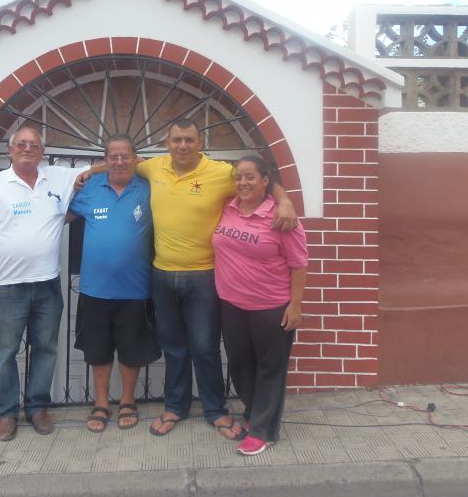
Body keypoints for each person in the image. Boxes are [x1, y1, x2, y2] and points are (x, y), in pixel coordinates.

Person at [135, 119, 298, 439]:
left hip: (204, 277)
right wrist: (92, 171)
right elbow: (124, 161)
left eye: (189, 139)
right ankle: (175, 406)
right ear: (167, 143)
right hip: (163, 274)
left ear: (201, 143)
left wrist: (286, 200)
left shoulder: (221, 173)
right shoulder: (154, 167)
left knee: (205, 347)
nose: (183, 145)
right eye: (177, 140)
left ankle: (215, 410)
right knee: (174, 347)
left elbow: (264, 180)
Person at [0, 125, 91, 441]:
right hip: (8, 287)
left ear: (42, 152)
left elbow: (99, 168)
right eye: (21, 144)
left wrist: (134, 161)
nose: (27, 148)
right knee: (5, 352)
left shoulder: (57, 178)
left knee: (46, 349)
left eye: (34, 145)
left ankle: (37, 407)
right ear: (10, 150)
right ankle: (6, 413)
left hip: (48, 285)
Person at [212, 156, 308, 456]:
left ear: (265, 180)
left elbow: (299, 263)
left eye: (250, 177)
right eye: (239, 177)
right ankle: (255, 411)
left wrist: (295, 306)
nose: (243, 182)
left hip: (271, 307)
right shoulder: (228, 208)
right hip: (232, 303)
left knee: (270, 368)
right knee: (240, 365)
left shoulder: (280, 217)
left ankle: (264, 430)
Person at [68, 134, 160, 432]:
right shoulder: (90, 188)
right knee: (98, 350)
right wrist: (89, 172)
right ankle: (101, 402)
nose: (119, 161)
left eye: (125, 156)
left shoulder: (149, 187)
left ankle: (128, 400)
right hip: (95, 289)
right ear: (105, 160)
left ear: (136, 158)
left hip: (136, 289)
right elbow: (58, 215)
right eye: (113, 157)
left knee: (132, 350)